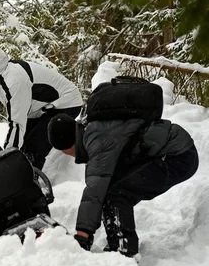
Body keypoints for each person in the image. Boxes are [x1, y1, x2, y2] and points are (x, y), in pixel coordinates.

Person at [47, 110, 198, 257]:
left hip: (178, 155)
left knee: (116, 194)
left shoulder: (97, 140)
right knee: (110, 188)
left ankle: (123, 251)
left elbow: (94, 190)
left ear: (67, 145)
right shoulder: (92, 131)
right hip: (172, 149)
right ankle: (118, 245)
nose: (63, 154)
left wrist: (83, 234)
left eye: (62, 149)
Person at [0, 47, 83, 170]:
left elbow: (16, 123)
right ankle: (20, 176)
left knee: (34, 146)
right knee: (23, 145)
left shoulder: (14, 80)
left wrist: (6, 160)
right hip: (40, 108)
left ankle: (30, 182)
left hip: (65, 103)